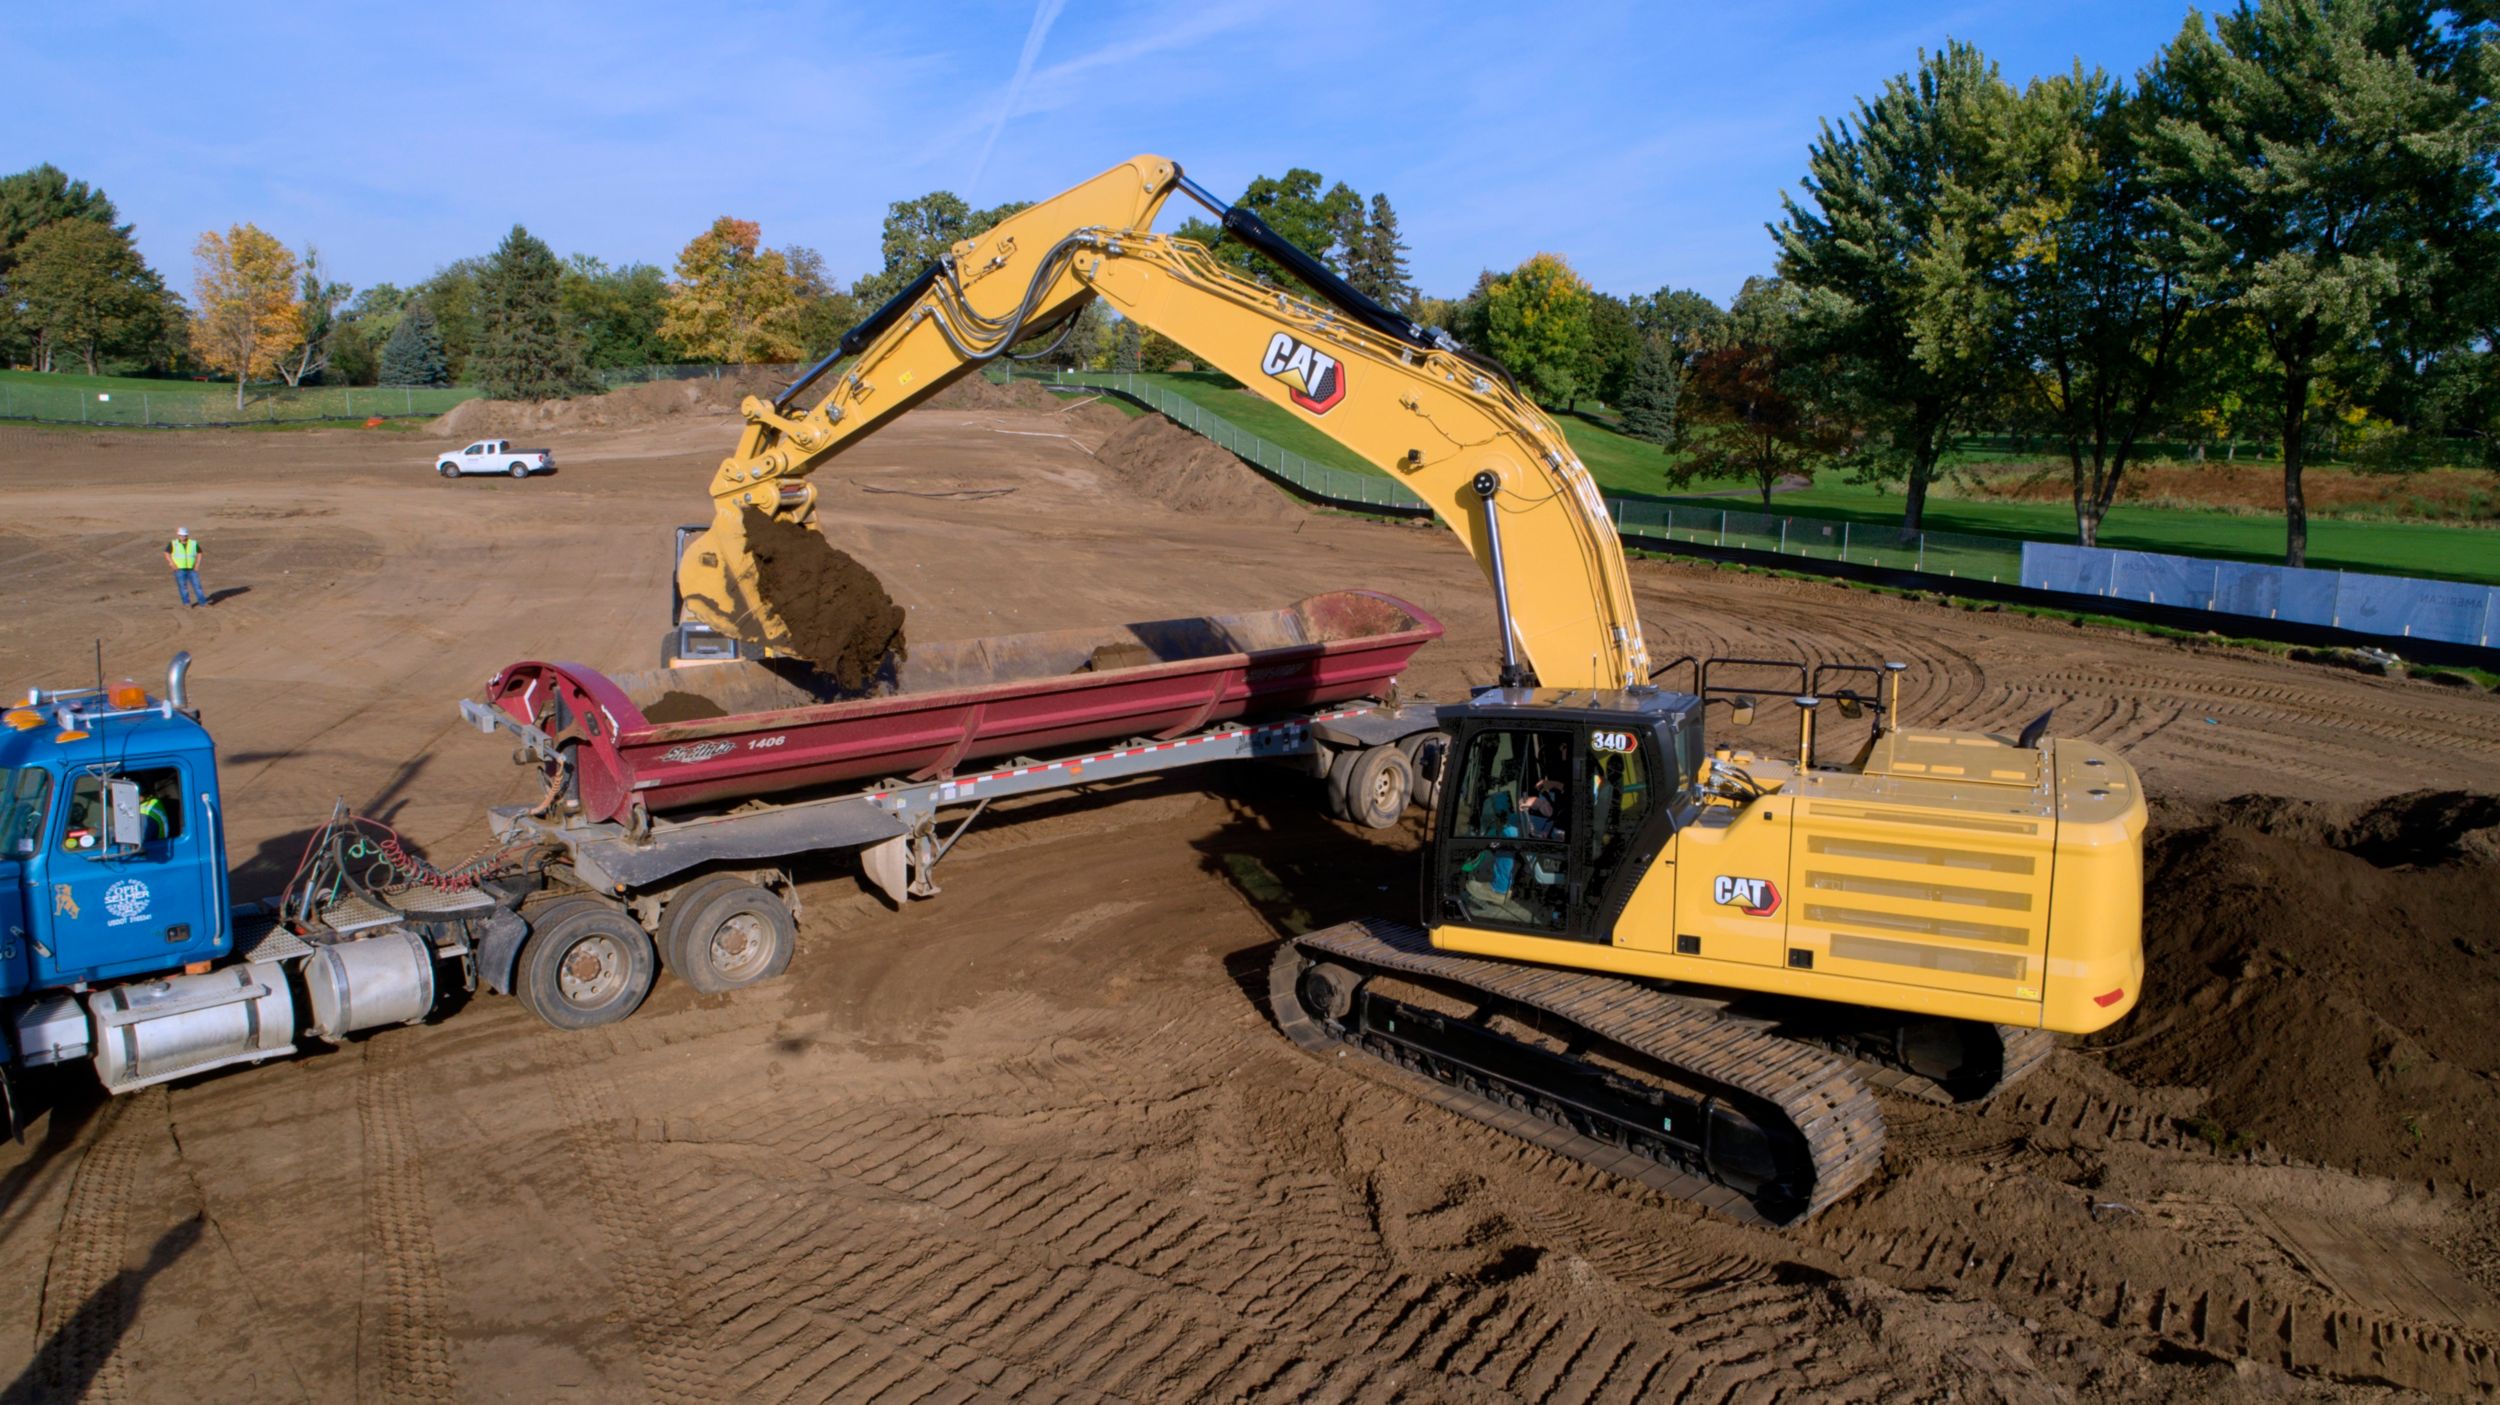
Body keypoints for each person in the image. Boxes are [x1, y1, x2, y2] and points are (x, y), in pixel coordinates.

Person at [165, 527, 205, 608]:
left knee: (197, 586)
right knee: (183, 587)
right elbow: (167, 553)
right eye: (181, 535)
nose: (183, 537)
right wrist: (172, 564)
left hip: (192, 568)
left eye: (185, 535)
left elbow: (199, 553)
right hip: (179, 569)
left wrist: (197, 564)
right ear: (178, 535)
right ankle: (186, 603)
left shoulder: (193, 543)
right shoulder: (173, 543)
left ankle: (203, 603)